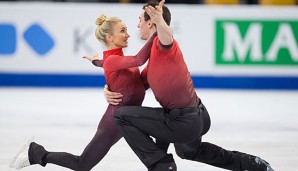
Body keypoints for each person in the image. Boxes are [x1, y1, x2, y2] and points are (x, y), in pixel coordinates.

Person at [104, 1, 275, 171]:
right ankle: (251, 164)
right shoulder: (154, 59)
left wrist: (160, 21)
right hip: (198, 116)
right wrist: (108, 89)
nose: (137, 25)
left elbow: (167, 36)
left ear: (150, 23)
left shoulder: (161, 45)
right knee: (189, 151)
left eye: (140, 20)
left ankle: (160, 164)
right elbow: (134, 86)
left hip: (183, 122)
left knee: (121, 116)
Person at [9, 14, 157, 171]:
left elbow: (120, 72)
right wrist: (157, 32)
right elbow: (139, 59)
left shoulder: (116, 60)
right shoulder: (114, 61)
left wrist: (96, 62)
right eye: (123, 31)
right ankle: (37, 153)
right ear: (110, 37)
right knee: (82, 165)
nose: (128, 35)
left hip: (128, 118)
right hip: (112, 123)